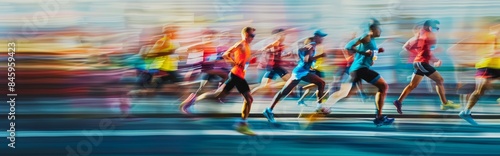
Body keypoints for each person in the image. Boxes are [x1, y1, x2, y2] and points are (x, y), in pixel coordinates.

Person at [180, 27, 258, 135]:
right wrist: (232, 63)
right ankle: (242, 124)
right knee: (247, 99)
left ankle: (242, 124)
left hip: (239, 75)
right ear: (245, 34)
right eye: (251, 36)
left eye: (254, 36)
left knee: (221, 95)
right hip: (236, 75)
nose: (253, 38)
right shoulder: (240, 44)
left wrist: (250, 61)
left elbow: (242, 60)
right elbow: (226, 54)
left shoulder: (247, 46)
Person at [323, 19, 394, 127]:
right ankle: (379, 117)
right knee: (383, 86)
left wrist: (377, 51)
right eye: (379, 28)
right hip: (360, 69)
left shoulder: (372, 40)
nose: (381, 31)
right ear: (373, 29)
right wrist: (363, 52)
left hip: (358, 69)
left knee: (346, 93)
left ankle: (324, 106)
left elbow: (370, 54)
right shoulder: (366, 36)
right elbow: (348, 46)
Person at [393, 20, 461, 114]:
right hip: (422, 63)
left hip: (418, 62)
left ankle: (398, 101)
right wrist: (435, 60)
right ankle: (445, 103)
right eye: (436, 28)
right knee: (439, 80)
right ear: (429, 27)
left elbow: (406, 46)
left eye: (438, 28)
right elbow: (427, 52)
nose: (437, 30)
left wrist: (418, 54)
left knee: (413, 85)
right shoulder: (430, 37)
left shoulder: (420, 35)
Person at [262, 31, 328, 123]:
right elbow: (307, 59)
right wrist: (320, 56)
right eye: (321, 37)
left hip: (301, 71)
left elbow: (300, 52)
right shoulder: (312, 45)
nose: (322, 39)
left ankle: (268, 110)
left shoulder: (310, 45)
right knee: (321, 83)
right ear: (316, 37)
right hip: (301, 72)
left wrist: (301, 56)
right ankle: (319, 107)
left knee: (284, 92)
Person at [459, 24, 500, 125]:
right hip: (486, 66)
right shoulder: (488, 37)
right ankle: (466, 112)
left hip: (498, 66)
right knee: (480, 91)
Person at [251, 28, 292, 95]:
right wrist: (264, 49)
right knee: (264, 86)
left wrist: (286, 55)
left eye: (284, 35)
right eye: (282, 35)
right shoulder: (276, 42)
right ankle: (250, 94)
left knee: (290, 81)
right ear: (277, 36)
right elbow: (268, 47)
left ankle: (277, 88)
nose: (283, 37)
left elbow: (276, 55)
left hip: (277, 67)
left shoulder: (280, 44)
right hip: (272, 67)